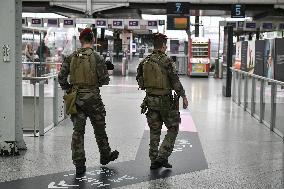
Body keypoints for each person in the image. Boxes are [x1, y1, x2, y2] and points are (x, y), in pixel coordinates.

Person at [58, 28, 119, 175]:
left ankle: (79, 164)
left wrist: (69, 89)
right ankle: (105, 156)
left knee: (78, 131)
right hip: (93, 99)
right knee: (99, 129)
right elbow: (104, 80)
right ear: (92, 40)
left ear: (81, 40)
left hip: (76, 98)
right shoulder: (97, 57)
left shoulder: (71, 56)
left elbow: (61, 77)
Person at [136, 33, 188, 169]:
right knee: (173, 127)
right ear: (164, 46)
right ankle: (162, 155)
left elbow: (140, 80)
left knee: (154, 131)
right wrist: (183, 96)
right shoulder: (167, 61)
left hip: (150, 100)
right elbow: (175, 81)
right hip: (165, 102)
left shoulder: (145, 61)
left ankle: (154, 160)